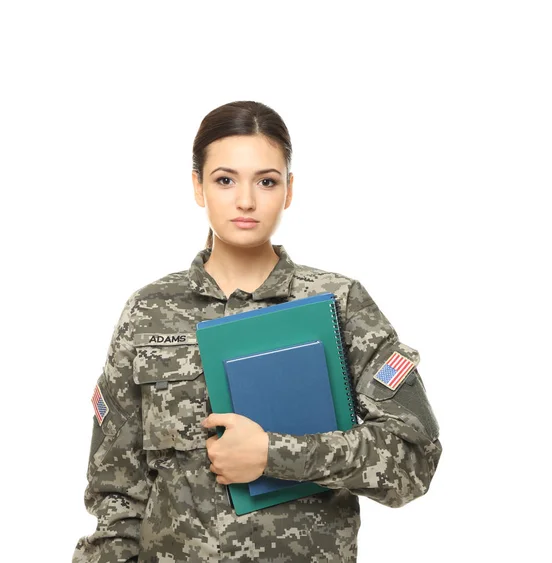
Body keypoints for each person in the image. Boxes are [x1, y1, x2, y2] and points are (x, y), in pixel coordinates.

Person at [72, 100, 442, 563]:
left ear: (288, 190)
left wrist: (274, 454)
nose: (245, 200)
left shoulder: (338, 304)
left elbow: (413, 460)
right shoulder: (148, 311)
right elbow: (115, 500)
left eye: (266, 181)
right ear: (197, 187)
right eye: (225, 180)